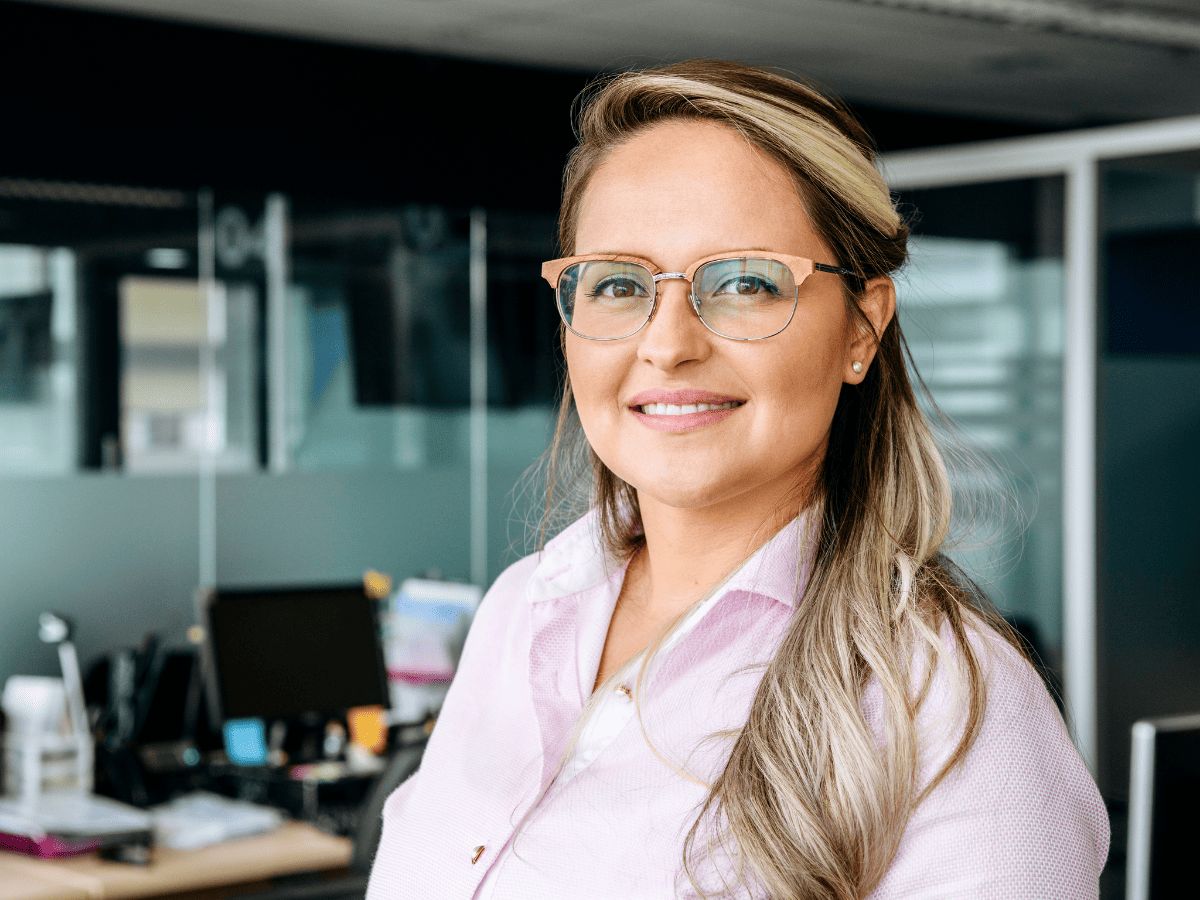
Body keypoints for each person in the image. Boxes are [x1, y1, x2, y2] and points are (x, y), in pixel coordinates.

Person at [366, 60, 1109, 900]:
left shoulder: (947, 708)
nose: (667, 344)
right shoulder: (521, 610)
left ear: (861, 329)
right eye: (618, 284)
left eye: (746, 282)